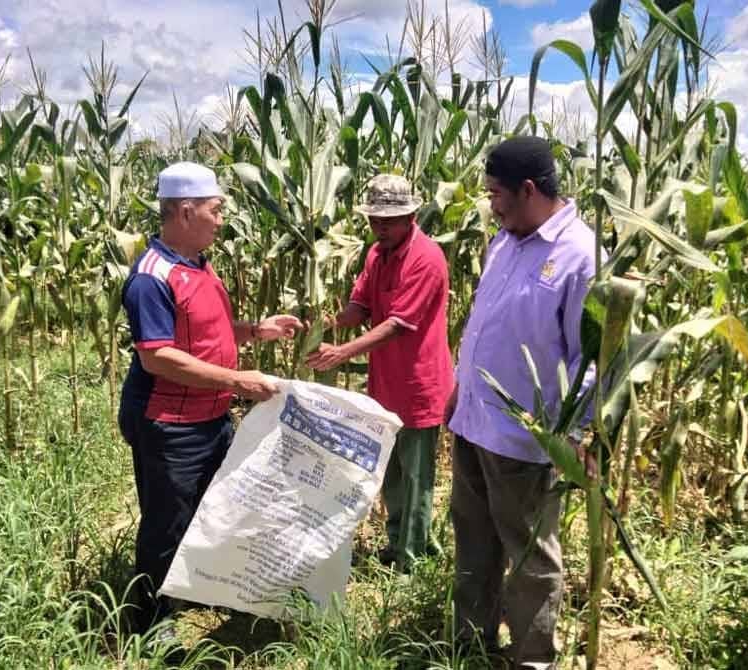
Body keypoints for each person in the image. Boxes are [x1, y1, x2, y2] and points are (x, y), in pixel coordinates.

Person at [118, 161, 302, 631]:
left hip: (211, 417)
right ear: (184, 212)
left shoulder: (199, 266)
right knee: (167, 526)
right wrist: (239, 382)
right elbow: (157, 358)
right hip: (171, 426)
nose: (222, 220)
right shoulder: (151, 277)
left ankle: (199, 590)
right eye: (216, 210)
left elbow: (207, 333)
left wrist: (256, 330)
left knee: (216, 510)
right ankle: (153, 626)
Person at [445, 136, 600, 669]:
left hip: (525, 437)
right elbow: (485, 326)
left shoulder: (579, 255)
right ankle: (470, 641)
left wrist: (575, 434)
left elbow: (590, 357)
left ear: (528, 190)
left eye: (496, 195)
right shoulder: (505, 241)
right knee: (472, 537)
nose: (491, 205)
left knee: (530, 554)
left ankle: (532, 658)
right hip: (472, 422)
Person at [306, 174, 454, 571]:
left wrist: (341, 353)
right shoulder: (376, 254)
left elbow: (397, 325)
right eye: (374, 219)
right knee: (390, 475)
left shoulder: (426, 258)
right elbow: (362, 308)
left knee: (417, 479)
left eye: (389, 220)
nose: (379, 227)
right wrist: (324, 324)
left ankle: (413, 558)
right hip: (385, 386)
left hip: (419, 385)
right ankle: (396, 543)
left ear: (412, 215)